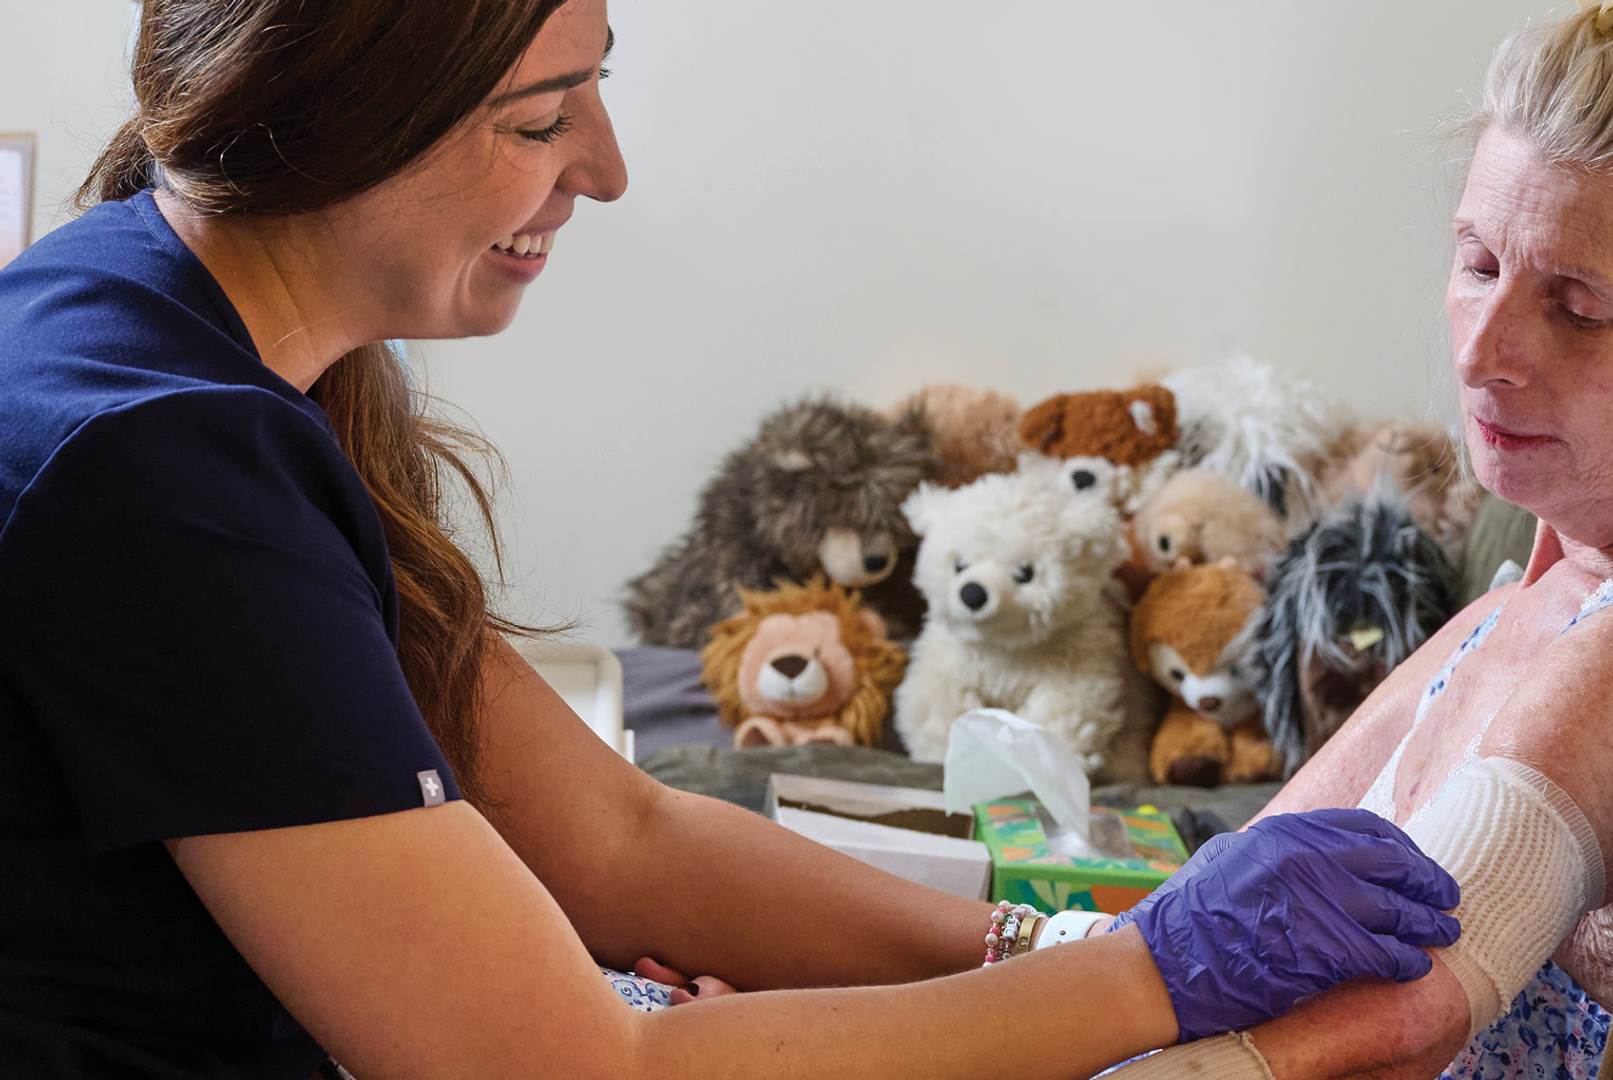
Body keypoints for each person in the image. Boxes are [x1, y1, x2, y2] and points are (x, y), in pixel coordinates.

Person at [0, 2, 1465, 1078]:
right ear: (333, 115)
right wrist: (1157, 975)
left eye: (600, 88)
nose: (608, 166)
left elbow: (616, 843)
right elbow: (573, 1073)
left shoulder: (157, 311)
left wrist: (1067, 946)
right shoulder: (160, 470)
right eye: (540, 117)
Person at [1112, 2, 1613, 1078]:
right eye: (1479, 264)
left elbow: (1377, 1032)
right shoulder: (1522, 596)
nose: (1484, 352)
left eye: (1577, 308)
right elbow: (1187, 925)